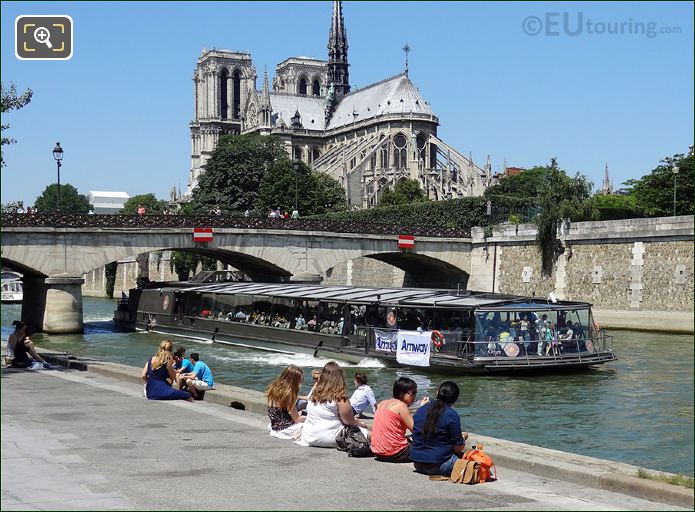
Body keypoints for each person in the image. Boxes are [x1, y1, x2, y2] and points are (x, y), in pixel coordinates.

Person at [295, 361, 369, 447]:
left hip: (309, 436)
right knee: (371, 434)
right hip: (330, 437)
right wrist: (361, 424)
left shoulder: (315, 393)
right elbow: (348, 421)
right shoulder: (339, 396)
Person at [411, 381, 468, 476]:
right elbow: (458, 448)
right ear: (455, 399)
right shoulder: (452, 415)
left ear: (437, 393)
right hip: (439, 465)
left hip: (417, 462)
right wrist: (463, 438)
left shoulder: (421, 409)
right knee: (473, 461)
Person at [371, 377, 430, 463]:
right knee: (431, 446)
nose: (415, 396)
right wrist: (422, 409)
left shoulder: (381, 403)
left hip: (378, 451)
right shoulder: (401, 406)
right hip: (396, 453)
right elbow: (417, 430)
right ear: (402, 394)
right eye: (413, 393)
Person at [266, 365, 306, 439]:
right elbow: (297, 419)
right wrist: (312, 417)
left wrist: (306, 398)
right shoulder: (289, 395)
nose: (301, 383)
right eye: (301, 380)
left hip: (275, 426)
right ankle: (298, 433)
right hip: (286, 428)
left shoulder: (274, 389)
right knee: (313, 424)